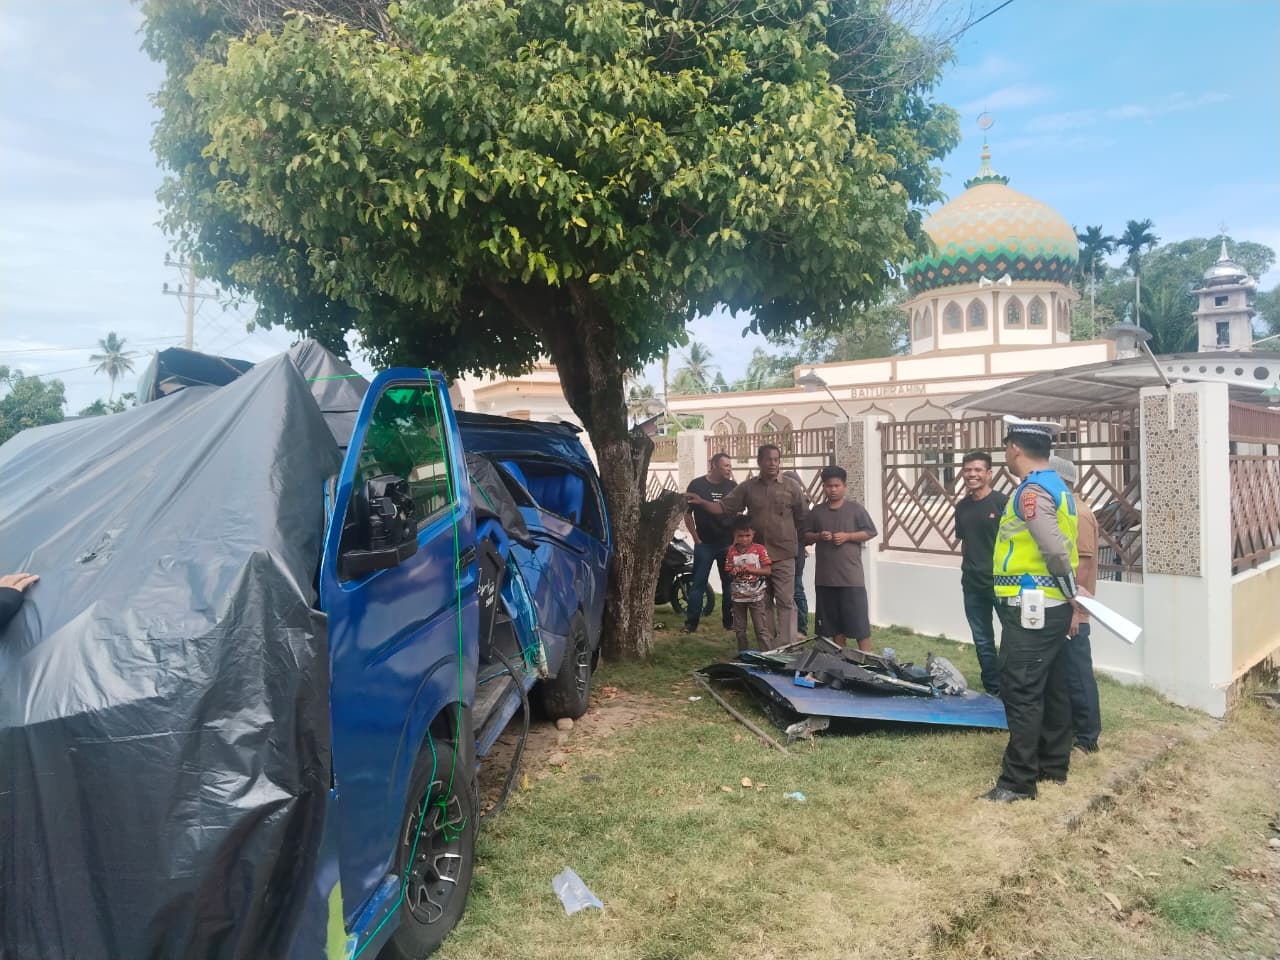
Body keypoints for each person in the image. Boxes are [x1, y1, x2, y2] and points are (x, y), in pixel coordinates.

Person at [980, 416, 1088, 804]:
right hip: (1048, 607)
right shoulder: (1058, 486)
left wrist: (1071, 590)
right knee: (1053, 684)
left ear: (1014, 449)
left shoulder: (1032, 491)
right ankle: (1053, 764)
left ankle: (1017, 782)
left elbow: (1054, 549)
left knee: (1021, 689)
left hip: (1033, 607)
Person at [685, 444, 808, 649]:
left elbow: (802, 517)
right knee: (763, 601)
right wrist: (702, 502)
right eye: (768, 459)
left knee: (786, 601)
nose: (773, 464)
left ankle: (787, 646)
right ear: (759, 462)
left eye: (776, 459)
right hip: (756, 556)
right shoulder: (748, 487)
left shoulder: (791, 486)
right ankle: (769, 648)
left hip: (783, 554)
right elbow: (724, 507)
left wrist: (791, 537)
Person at [1050, 455, 1102, 754]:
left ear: (1061, 481)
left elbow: (1081, 568)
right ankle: (1071, 730)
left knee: (1078, 675)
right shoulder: (1066, 510)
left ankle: (1087, 738)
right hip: (1064, 607)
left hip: (1074, 612)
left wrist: (1075, 611)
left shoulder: (1078, 514)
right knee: (1065, 674)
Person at [804, 465, 878, 651]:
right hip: (826, 579)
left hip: (851, 578)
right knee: (833, 624)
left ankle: (866, 657)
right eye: (829, 486)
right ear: (824, 487)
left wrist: (848, 536)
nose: (833, 490)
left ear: (844, 486)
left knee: (859, 623)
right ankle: (841, 657)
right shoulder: (817, 512)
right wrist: (819, 536)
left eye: (837, 485)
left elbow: (870, 532)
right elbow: (804, 536)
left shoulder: (856, 510)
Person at [954, 451, 1008, 696]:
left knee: (1011, 636)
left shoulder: (1003, 503)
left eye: (977, 470)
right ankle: (993, 688)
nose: (971, 474)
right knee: (982, 639)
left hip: (1002, 583)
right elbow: (965, 542)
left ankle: (1011, 685)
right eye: (967, 470)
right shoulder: (962, 507)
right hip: (972, 584)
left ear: (989, 473)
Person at [682, 453, 737, 634]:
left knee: (729, 585)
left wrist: (735, 541)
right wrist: (696, 538)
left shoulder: (732, 487)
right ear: (714, 465)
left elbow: (738, 515)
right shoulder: (697, 485)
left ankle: (729, 622)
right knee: (698, 584)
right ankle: (691, 623)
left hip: (727, 544)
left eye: (730, 466)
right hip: (704, 544)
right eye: (726, 466)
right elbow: (687, 514)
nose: (729, 469)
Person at [725, 517, 772, 652]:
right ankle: (743, 654)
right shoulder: (731, 551)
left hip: (756, 596)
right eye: (740, 536)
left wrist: (751, 570)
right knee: (740, 630)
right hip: (738, 597)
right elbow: (728, 571)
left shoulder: (760, 549)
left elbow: (768, 571)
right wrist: (734, 571)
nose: (744, 539)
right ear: (734, 535)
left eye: (747, 535)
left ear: (753, 534)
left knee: (761, 629)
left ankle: (767, 655)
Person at [783, 470, 812, 635]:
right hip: (781, 553)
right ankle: (787, 628)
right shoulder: (779, 503)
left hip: (795, 554)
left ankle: (801, 628)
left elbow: (805, 533)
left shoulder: (803, 506)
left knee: (796, 590)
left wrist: (801, 546)